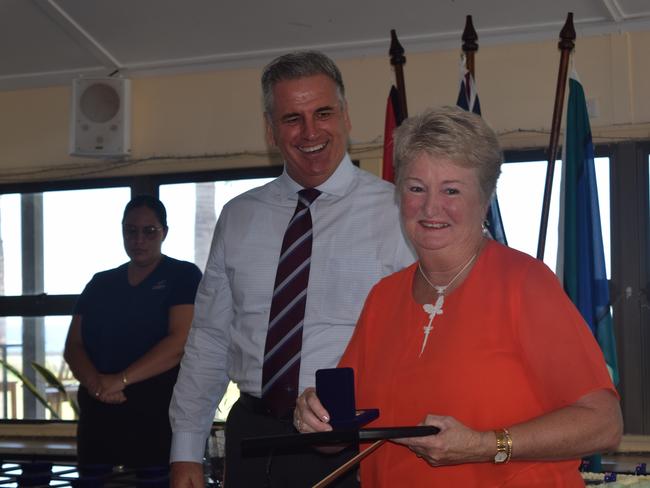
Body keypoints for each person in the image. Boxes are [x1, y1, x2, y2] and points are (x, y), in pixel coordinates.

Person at [294, 106, 623, 487]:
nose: (431, 207)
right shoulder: (383, 298)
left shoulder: (524, 283)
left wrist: (487, 445)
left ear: (484, 200)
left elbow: (603, 423)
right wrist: (317, 418)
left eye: (451, 190)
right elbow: (345, 432)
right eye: (416, 188)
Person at [169, 51, 415, 487]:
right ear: (270, 130)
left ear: (346, 117)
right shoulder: (238, 217)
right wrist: (185, 450)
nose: (310, 132)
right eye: (292, 118)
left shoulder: (399, 212)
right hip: (252, 434)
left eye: (323, 113)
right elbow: (209, 338)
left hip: (352, 441)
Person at [64, 195, 202, 470]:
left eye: (149, 231)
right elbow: (73, 346)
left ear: (165, 232)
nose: (139, 240)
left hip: (155, 416)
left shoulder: (183, 275)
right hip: (99, 411)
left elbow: (179, 341)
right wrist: (98, 385)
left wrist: (121, 380)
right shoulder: (100, 282)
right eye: (131, 230)